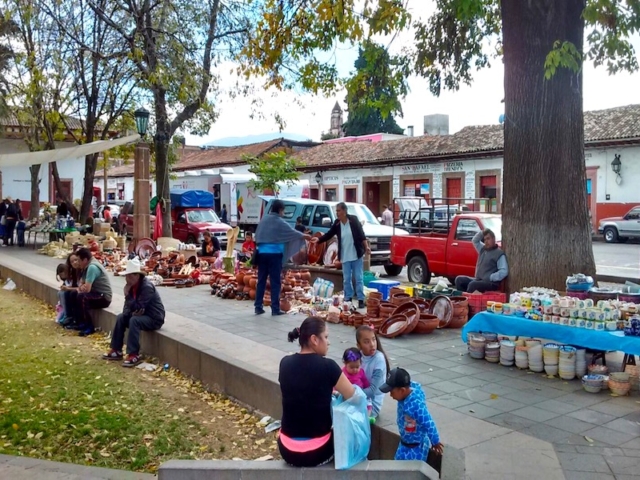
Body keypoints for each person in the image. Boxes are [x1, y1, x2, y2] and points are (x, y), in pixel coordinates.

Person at [279, 317, 355, 467]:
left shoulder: (284, 363)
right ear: (314, 339)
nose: (328, 342)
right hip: (318, 452)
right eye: (326, 337)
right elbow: (352, 395)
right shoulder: (329, 366)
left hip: (286, 449)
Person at [102, 259, 165, 367]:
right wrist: (129, 312)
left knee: (134, 320)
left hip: (154, 318)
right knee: (121, 317)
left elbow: (139, 307)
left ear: (137, 276)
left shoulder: (146, 287)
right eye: (127, 276)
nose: (127, 279)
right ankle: (116, 349)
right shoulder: (131, 287)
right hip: (141, 315)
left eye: (130, 276)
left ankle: (133, 354)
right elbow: (128, 308)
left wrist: (127, 296)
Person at [254, 200, 310, 316]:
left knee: (261, 281)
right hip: (274, 255)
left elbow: (257, 236)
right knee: (275, 282)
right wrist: (306, 236)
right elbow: (293, 233)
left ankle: (258, 306)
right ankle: (275, 309)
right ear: (280, 210)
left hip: (261, 254)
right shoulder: (280, 222)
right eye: (283, 210)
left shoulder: (263, 220)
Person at [312, 202, 370, 309]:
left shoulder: (353, 220)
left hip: (356, 254)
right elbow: (329, 234)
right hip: (345, 256)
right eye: (337, 211)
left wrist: (366, 248)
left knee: (358, 278)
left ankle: (361, 299)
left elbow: (362, 235)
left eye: (338, 210)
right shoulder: (337, 223)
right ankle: (348, 298)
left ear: (344, 211)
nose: (337, 213)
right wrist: (319, 240)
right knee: (346, 279)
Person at [380, 367, 444, 462]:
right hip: (404, 443)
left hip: (416, 447)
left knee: (411, 472)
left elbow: (428, 422)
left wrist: (435, 441)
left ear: (402, 390)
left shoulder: (416, 405)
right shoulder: (403, 396)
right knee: (397, 467)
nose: (391, 395)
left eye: (392, 392)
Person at [69, 247, 113, 336]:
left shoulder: (92, 267)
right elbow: (81, 285)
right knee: (73, 294)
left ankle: (88, 326)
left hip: (104, 296)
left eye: (78, 260)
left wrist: (83, 287)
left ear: (85, 260)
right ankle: (78, 322)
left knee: (83, 297)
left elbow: (87, 289)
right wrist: (82, 287)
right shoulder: (86, 267)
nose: (77, 263)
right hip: (96, 293)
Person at [454, 228, 508, 293]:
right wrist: (482, 232)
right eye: (485, 239)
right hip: (478, 280)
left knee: (473, 285)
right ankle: (461, 299)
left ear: (493, 239)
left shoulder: (499, 253)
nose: (486, 241)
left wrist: (491, 277)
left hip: (490, 283)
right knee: (459, 280)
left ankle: (467, 301)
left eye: (488, 239)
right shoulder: (483, 249)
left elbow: (504, 271)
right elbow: (475, 240)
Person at [356, 325, 389, 419]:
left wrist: (351, 394)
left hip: (372, 404)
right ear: (359, 345)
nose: (372, 344)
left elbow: (372, 390)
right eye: (366, 342)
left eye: (373, 339)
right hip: (360, 396)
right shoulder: (358, 356)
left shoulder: (379, 359)